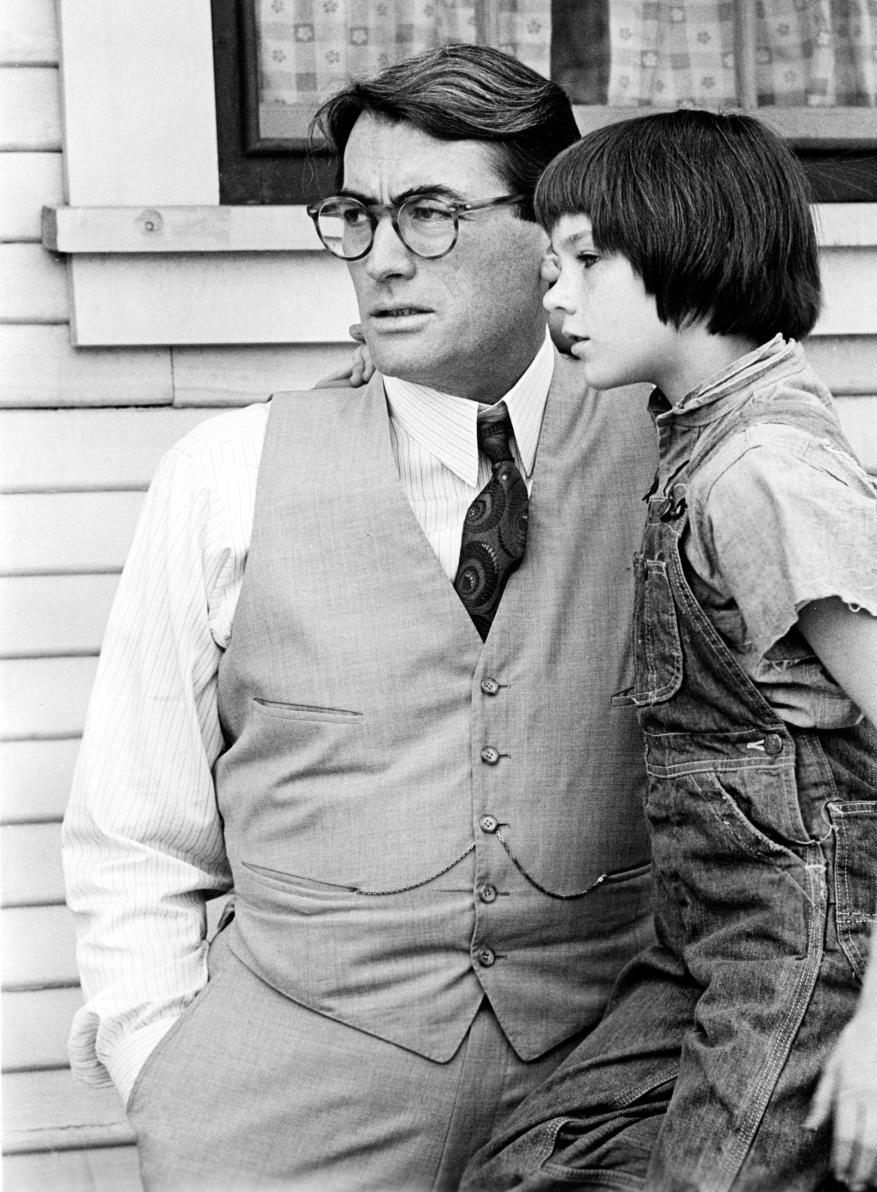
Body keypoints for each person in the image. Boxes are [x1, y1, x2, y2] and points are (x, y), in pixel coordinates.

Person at [61, 44, 662, 1192]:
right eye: (355, 215)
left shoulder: (684, 455)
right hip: (279, 1125)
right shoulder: (223, 476)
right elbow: (135, 829)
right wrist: (162, 1070)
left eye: (430, 213)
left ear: (554, 230)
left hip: (600, 1111)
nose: (381, 259)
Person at [461, 110, 877, 1192]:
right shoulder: (700, 436)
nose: (555, 295)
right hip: (706, 938)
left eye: (588, 260)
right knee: (526, 1164)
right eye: (551, 264)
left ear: (694, 242)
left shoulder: (762, 471)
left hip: (801, 950)